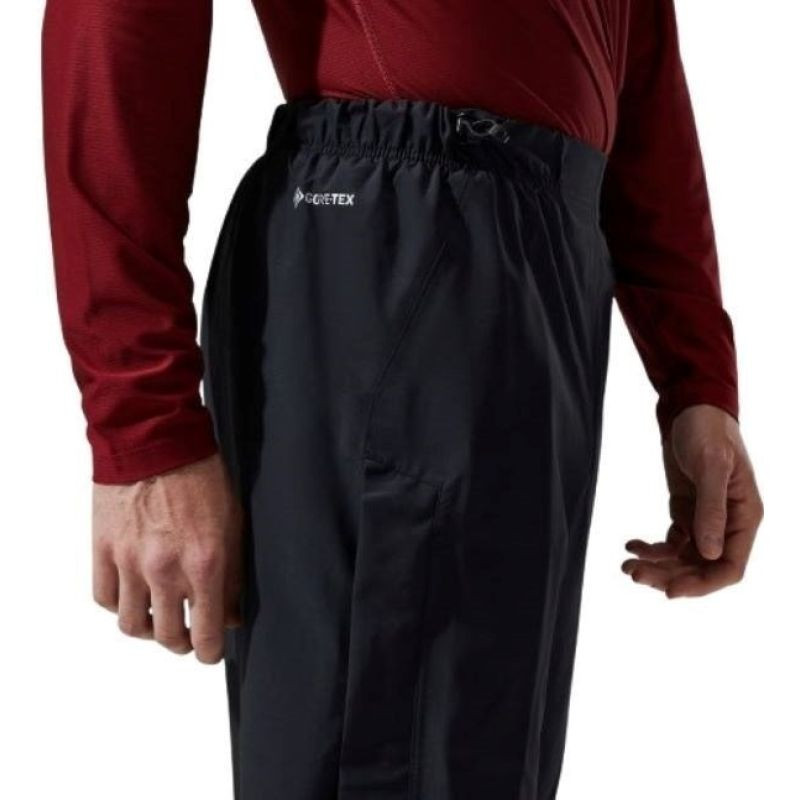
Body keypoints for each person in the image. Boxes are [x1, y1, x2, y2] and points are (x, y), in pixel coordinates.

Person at [41, 1, 763, 798]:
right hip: (396, 222)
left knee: (473, 760)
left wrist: (698, 384)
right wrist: (144, 427)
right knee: (376, 753)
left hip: (548, 257)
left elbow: (640, 60)